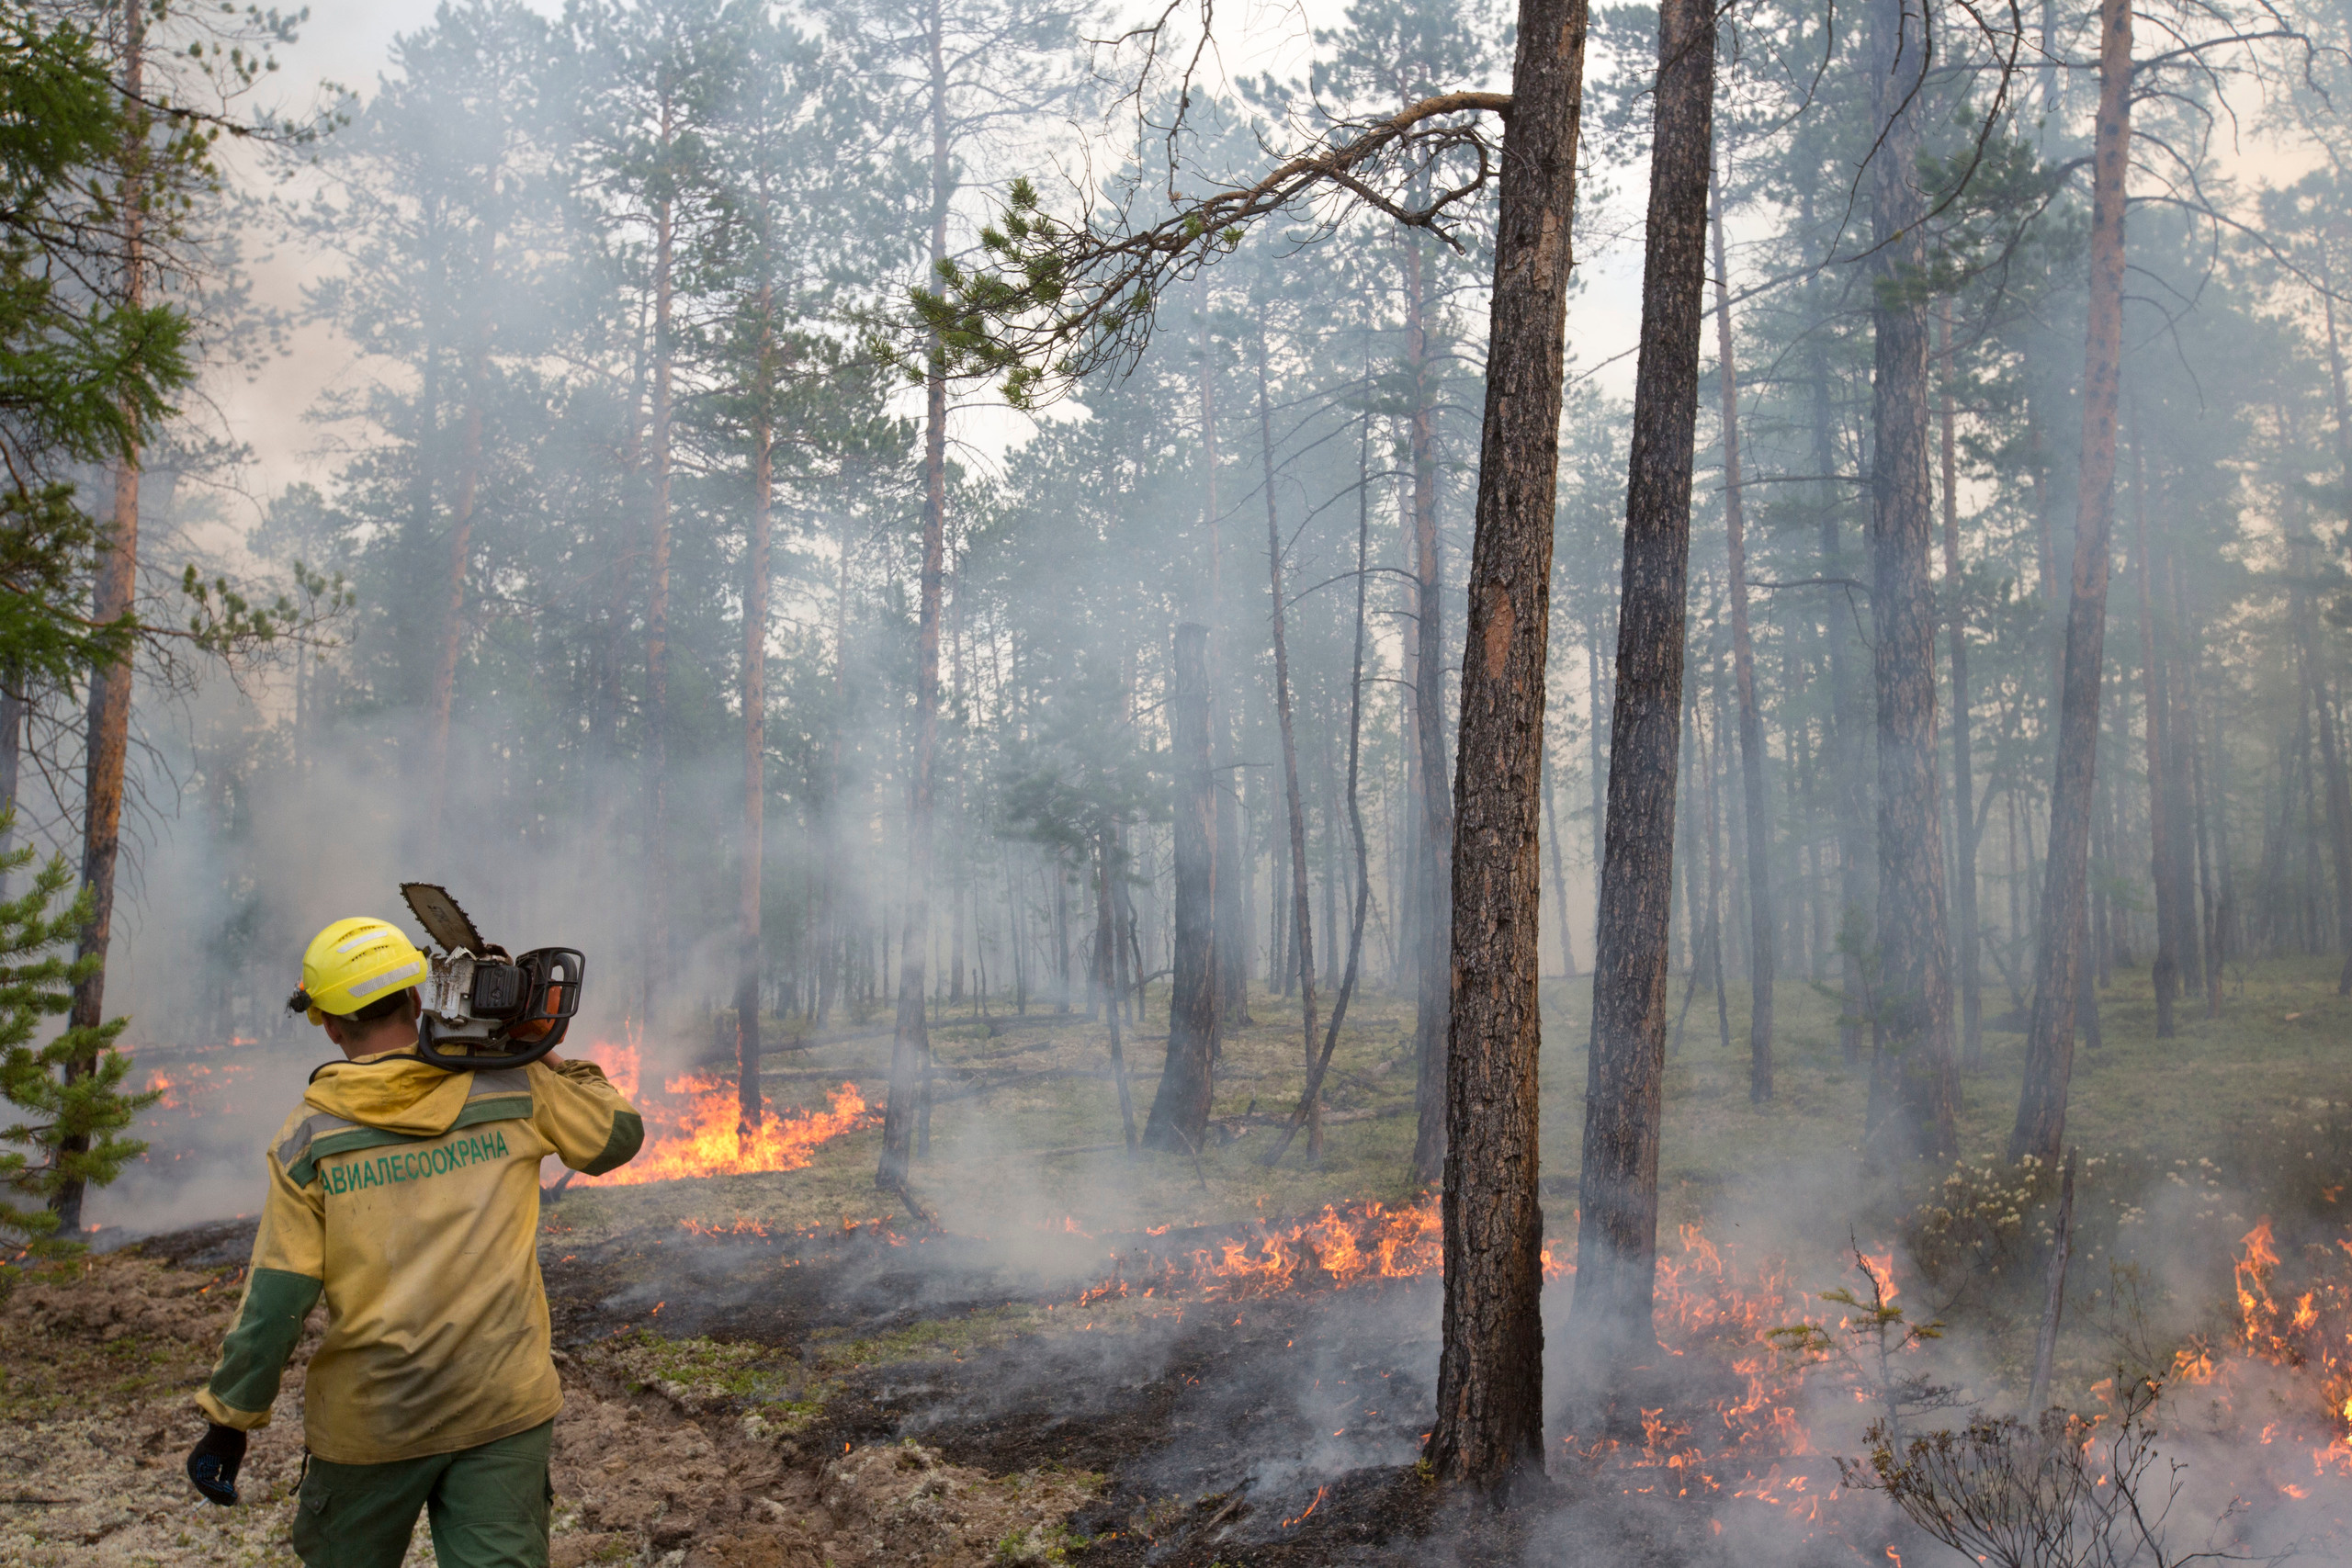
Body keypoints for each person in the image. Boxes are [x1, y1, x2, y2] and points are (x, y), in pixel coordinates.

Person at [185, 916, 643, 1568]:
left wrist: (229, 1421)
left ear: (331, 1025)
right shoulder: (514, 1086)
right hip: (502, 1404)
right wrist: (540, 1049)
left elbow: (278, 1299)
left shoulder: (310, 1136)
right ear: (418, 997)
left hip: (372, 1421)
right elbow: (618, 1136)